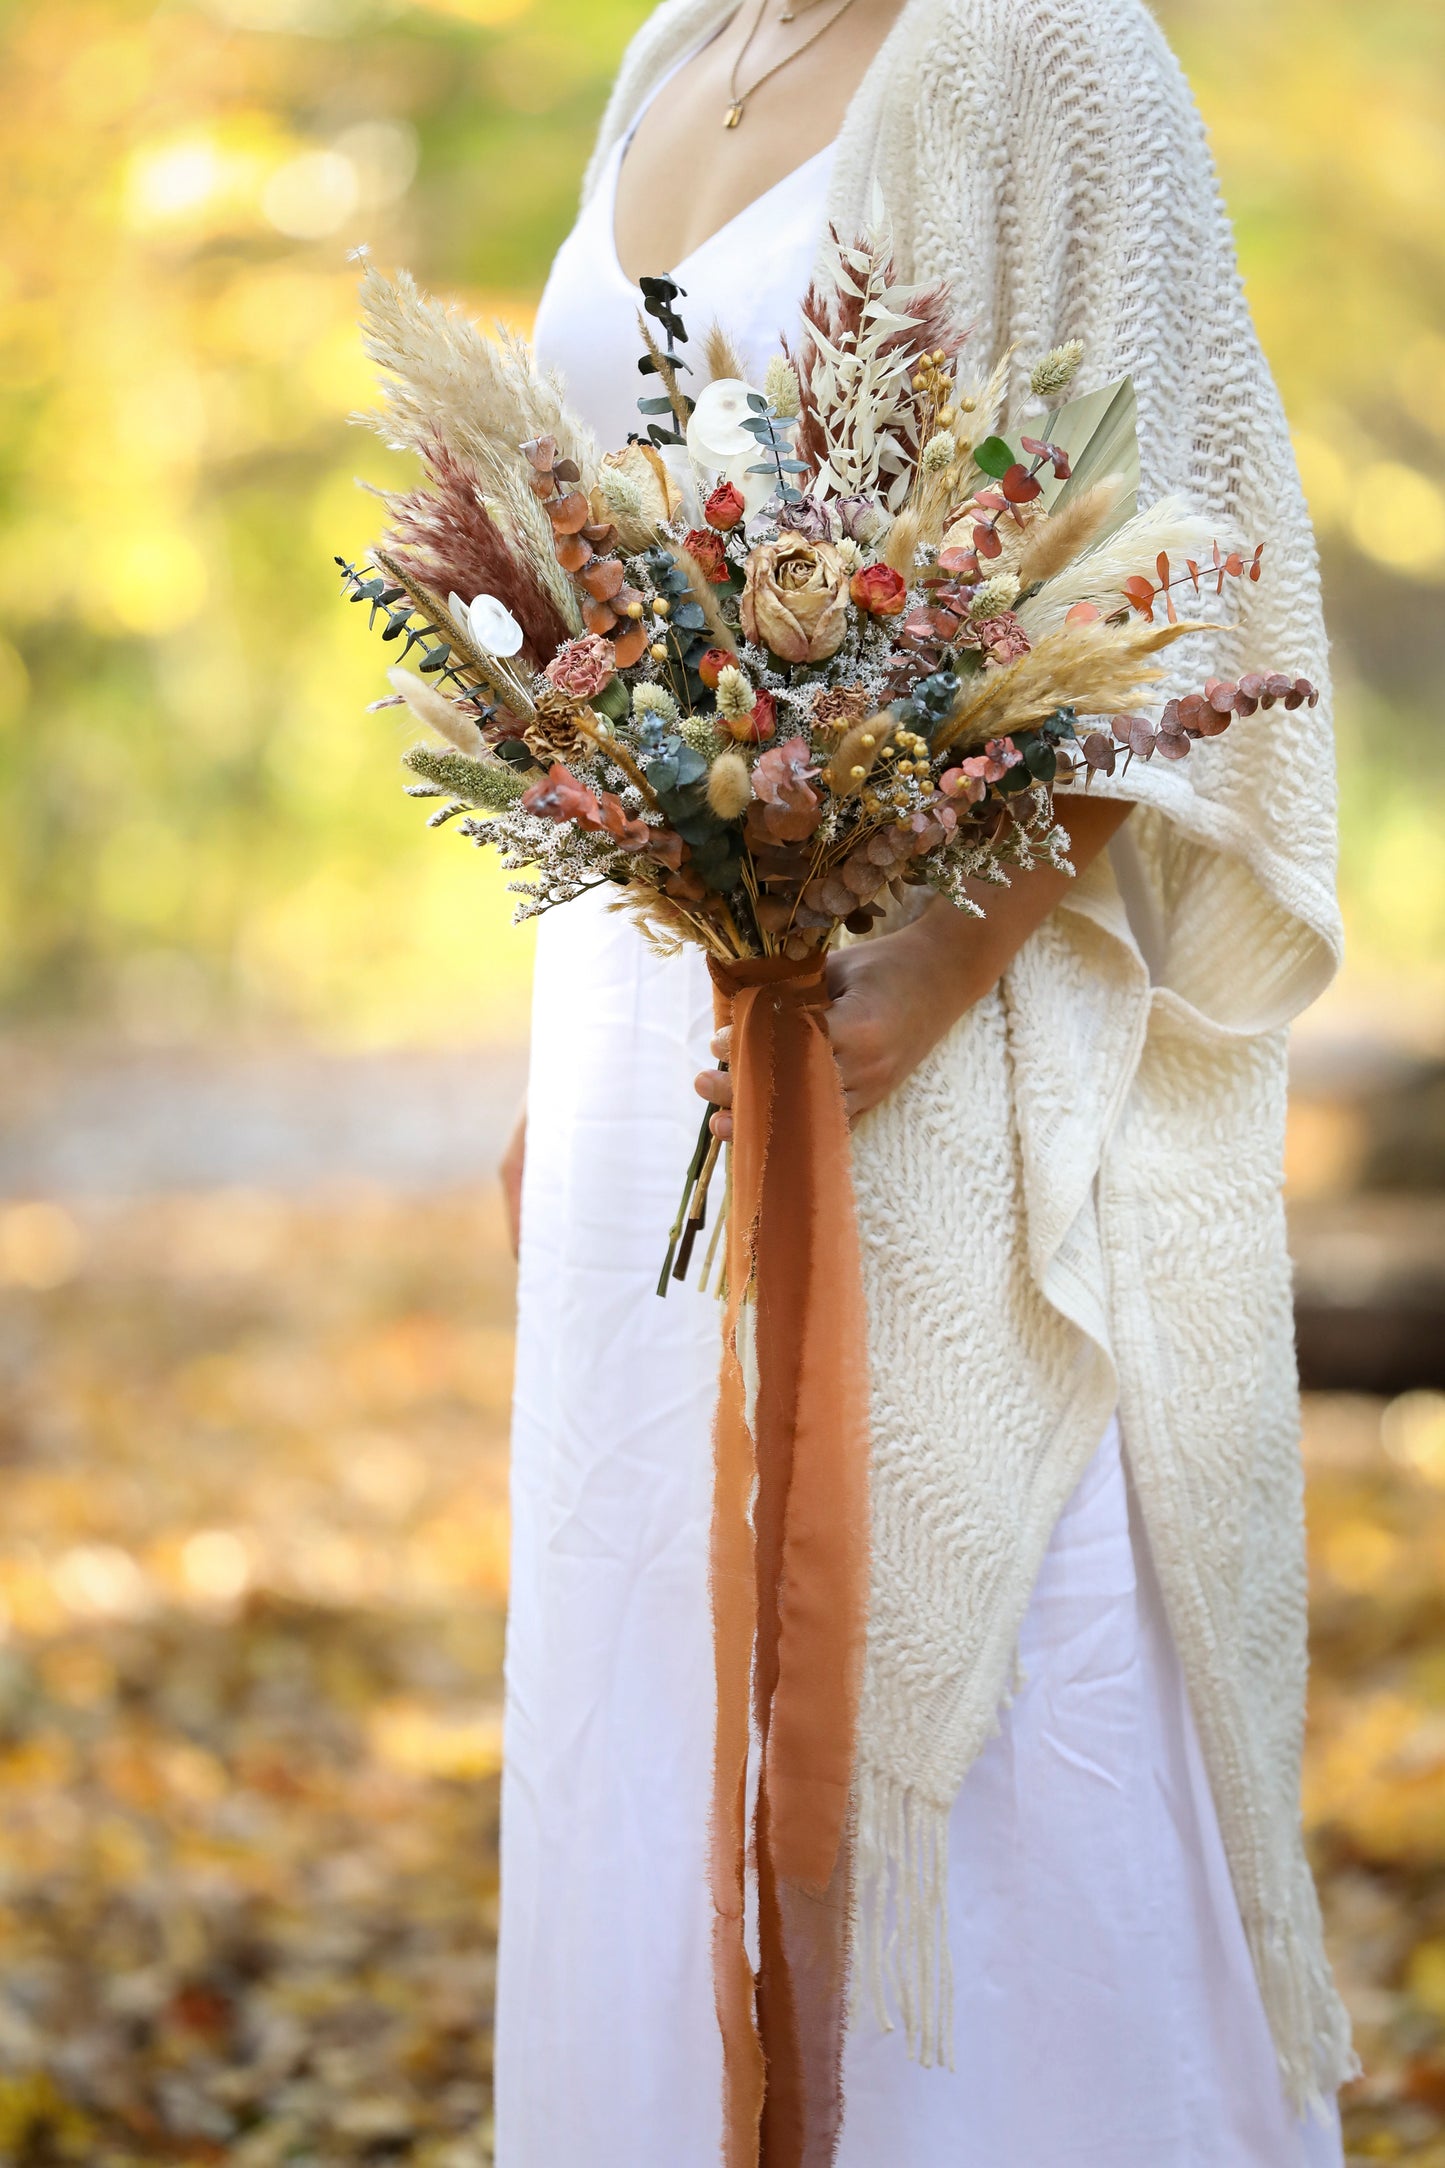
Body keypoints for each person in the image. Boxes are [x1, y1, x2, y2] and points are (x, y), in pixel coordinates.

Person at [494, 2, 1358, 2162]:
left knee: (984, 1744)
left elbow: (1189, 532)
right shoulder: (674, 41)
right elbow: (602, 558)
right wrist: (570, 1064)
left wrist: (955, 944)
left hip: (939, 1037)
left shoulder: (1051, 42)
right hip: (643, 1042)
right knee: (658, 1715)